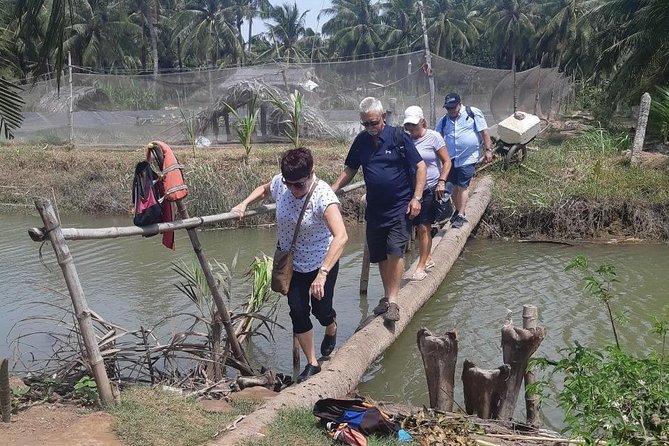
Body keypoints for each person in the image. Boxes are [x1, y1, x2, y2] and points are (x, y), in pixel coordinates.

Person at [231, 147, 348, 383]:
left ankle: (331, 325)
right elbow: (264, 190)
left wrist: (323, 273)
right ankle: (312, 363)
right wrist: (243, 203)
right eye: (290, 184)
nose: (294, 190)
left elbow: (342, 236)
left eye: (300, 185)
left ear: (312, 173)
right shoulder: (282, 184)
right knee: (297, 311)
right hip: (292, 265)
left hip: (320, 262)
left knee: (321, 309)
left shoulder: (323, 196)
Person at [331, 97, 426, 323]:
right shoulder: (362, 141)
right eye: (365, 124)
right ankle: (387, 296)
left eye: (373, 123)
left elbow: (420, 167)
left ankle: (393, 301)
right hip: (374, 210)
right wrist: (333, 188)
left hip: (400, 207)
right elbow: (351, 169)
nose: (370, 128)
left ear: (383, 117)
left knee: (395, 252)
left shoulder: (398, 137)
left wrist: (417, 198)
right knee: (381, 255)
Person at [402, 106, 452, 281]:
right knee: (414, 226)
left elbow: (446, 162)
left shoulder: (434, 137)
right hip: (410, 190)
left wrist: (442, 181)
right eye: (408, 126)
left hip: (430, 188)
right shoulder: (405, 139)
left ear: (422, 121)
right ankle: (427, 255)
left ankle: (421, 266)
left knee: (424, 226)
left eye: (414, 125)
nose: (412, 129)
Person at [435, 93, 493, 228]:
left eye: (453, 108)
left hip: (468, 157)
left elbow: (484, 131)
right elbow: (437, 137)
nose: (451, 111)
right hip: (450, 158)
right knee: (454, 186)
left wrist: (488, 150)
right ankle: (459, 210)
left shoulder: (472, 113)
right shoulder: (444, 120)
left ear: (460, 104)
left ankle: (461, 215)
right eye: (448, 108)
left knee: (462, 186)